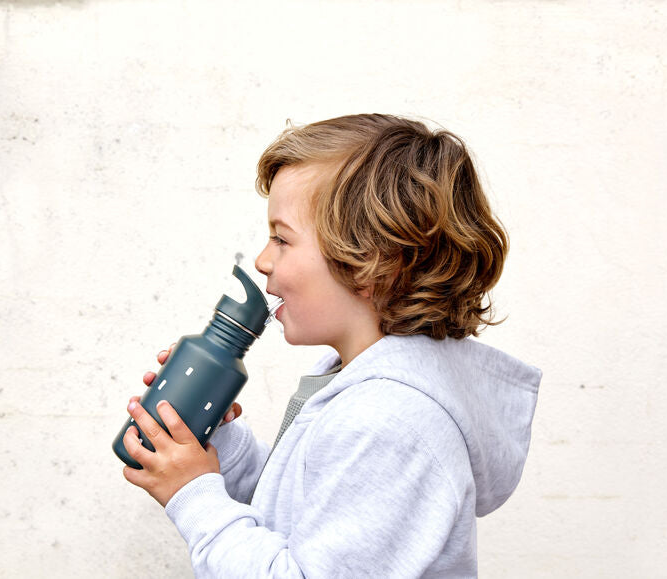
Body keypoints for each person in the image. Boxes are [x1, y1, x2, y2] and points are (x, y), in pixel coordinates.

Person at [121, 114, 542, 577]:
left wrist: (195, 497)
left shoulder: (391, 421)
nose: (263, 260)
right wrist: (220, 448)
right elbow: (300, 510)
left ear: (375, 263)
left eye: (282, 239)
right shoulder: (355, 382)